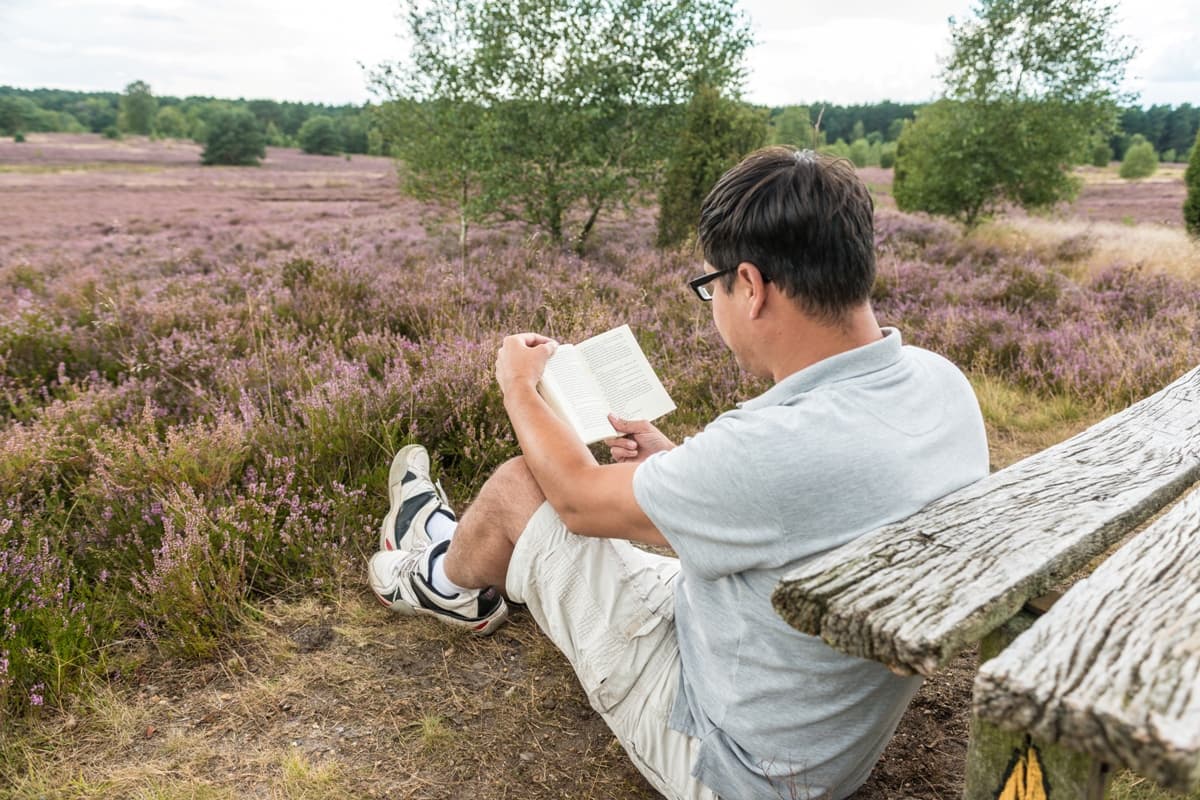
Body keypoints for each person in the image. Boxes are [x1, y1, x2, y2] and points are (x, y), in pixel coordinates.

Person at [367, 147, 989, 800]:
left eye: (710, 286)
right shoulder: (938, 381)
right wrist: (674, 466)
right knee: (545, 500)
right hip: (814, 715)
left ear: (750, 287)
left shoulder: (772, 446)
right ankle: (451, 544)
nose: (712, 303)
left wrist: (518, 386)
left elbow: (576, 501)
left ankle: (439, 579)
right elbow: (801, 514)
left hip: (733, 758)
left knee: (523, 486)